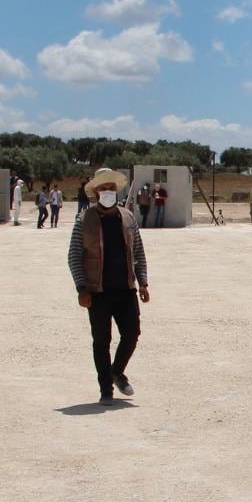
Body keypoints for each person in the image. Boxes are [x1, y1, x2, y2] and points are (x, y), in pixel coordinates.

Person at [68, 168, 150, 405]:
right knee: (101, 341)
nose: (108, 192)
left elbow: (138, 251)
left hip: (125, 289)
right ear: (95, 192)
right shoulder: (84, 220)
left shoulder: (128, 217)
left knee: (132, 334)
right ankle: (106, 388)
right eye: (103, 188)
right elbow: (74, 255)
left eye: (111, 188)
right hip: (97, 291)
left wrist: (143, 280)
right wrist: (81, 287)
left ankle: (117, 371)